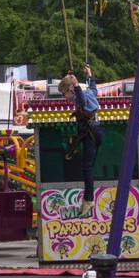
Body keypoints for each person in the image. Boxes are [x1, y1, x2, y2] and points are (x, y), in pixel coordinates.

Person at [60, 63, 102, 213]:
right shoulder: (88, 93)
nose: (64, 98)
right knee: (88, 166)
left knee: (87, 168)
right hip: (96, 131)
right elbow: (94, 89)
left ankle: (89, 199)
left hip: (90, 132)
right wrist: (89, 74)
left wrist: (77, 84)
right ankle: (88, 198)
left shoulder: (80, 97)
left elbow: (82, 102)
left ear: (70, 90)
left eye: (64, 93)